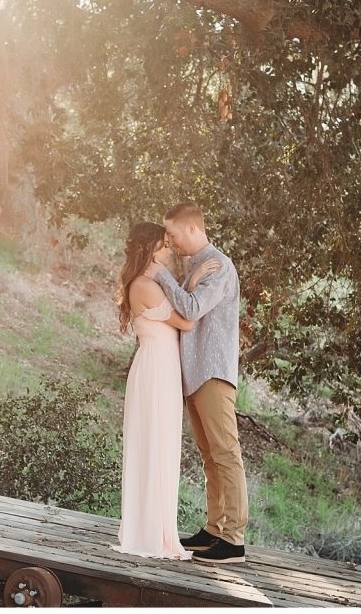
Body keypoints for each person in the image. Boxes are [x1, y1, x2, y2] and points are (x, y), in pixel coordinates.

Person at [144, 202, 248, 565]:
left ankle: (233, 538)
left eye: (172, 234)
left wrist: (161, 275)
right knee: (209, 456)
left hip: (212, 371)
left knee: (225, 453)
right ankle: (215, 528)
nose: (169, 243)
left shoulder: (218, 266)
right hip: (195, 373)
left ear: (191, 228)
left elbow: (189, 310)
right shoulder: (195, 267)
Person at [112, 221, 219, 560]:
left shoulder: (150, 282)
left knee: (162, 447)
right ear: (150, 249)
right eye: (163, 244)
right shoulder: (144, 284)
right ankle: (149, 536)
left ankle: (157, 530)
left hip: (163, 369)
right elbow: (187, 319)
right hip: (155, 371)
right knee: (154, 447)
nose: (169, 250)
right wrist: (198, 279)